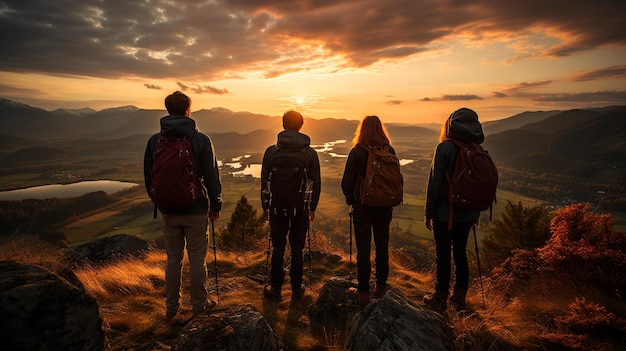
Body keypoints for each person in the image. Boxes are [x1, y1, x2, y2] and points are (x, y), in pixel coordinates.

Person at [144, 91, 222, 320]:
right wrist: (215, 204)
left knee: (173, 260)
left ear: (167, 109)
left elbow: (149, 178)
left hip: (168, 211)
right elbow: (211, 176)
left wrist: (160, 200)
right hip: (195, 209)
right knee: (197, 259)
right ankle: (199, 307)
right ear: (188, 109)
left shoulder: (155, 141)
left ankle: (171, 308)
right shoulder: (200, 140)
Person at [424, 107, 484, 313]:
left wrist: (428, 213)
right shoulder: (475, 148)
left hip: (444, 213)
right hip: (467, 214)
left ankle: (440, 297)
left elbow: (435, 182)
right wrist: (475, 212)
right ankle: (460, 299)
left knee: (443, 254)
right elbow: (479, 184)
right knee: (461, 253)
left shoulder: (445, 148)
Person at [261, 110, 321, 301]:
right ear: (301, 126)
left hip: (277, 206)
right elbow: (316, 182)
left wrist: (266, 206)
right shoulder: (309, 153)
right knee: (297, 248)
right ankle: (296, 288)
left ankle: (275, 288)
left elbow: (264, 182)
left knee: (278, 247)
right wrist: (312, 208)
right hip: (300, 206)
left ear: (283, 125)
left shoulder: (271, 152)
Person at [341, 115, 396, 308]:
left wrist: (351, 198)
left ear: (362, 130)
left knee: (363, 248)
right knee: (382, 244)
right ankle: (381, 286)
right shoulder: (389, 150)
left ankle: (363, 291)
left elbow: (347, 182)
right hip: (384, 206)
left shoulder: (357, 152)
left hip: (362, 206)